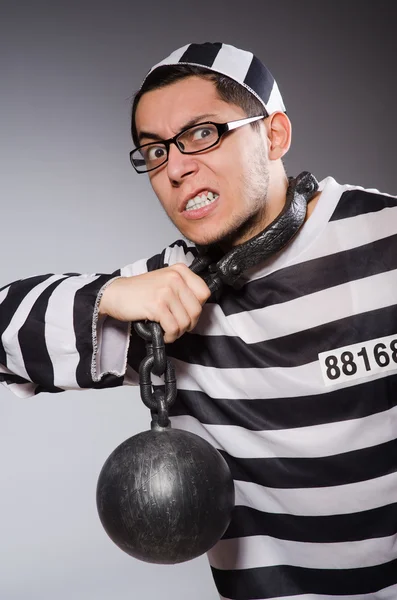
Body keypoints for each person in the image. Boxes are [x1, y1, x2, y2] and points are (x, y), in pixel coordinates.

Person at [1, 41, 397, 599]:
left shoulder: (387, 240)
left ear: (275, 134)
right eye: (155, 151)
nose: (177, 167)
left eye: (202, 133)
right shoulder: (163, 293)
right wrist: (106, 296)